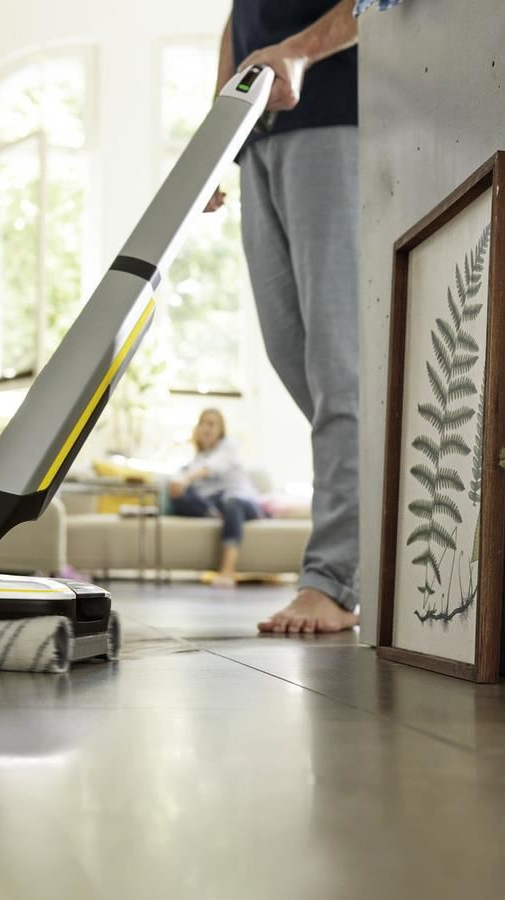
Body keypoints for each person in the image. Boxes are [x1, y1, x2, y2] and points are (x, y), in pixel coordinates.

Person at [208, 1, 360, 634]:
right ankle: (380, 533)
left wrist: (299, 50)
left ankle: (334, 580)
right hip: (257, 136)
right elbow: (239, 17)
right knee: (289, 352)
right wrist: (218, 128)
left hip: (332, 114)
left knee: (339, 367)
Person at [168, 409, 263, 589]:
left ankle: (227, 571)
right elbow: (183, 478)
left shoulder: (229, 446)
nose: (206, 428)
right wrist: (177, 484)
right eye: (202, 423)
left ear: (220, 430)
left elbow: (210, 468)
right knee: (180, 496)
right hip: (215, 504)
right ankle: (214, 513)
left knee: (231, 502)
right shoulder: (198, 458)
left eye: (211, 424)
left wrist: (186, 479)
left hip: (242, 503)